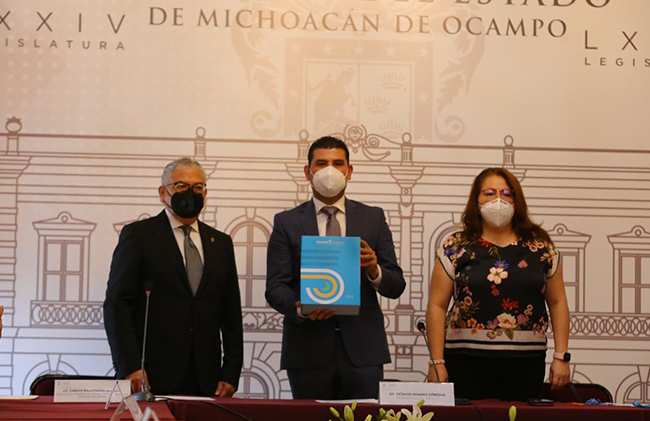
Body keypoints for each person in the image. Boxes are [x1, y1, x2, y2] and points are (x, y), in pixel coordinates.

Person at [266, 136, 406, 400]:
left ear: (349, 171)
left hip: (364, 350)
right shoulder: (286, 222)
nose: (329, 171)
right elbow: (275, 287)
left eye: (338, 163)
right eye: (321, 163)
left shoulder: (373, 218)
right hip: (307, 351)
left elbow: (396, 285)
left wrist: (374, 269)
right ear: (308, 171)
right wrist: (300, 308)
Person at [426, 167, 570, 401]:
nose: (498, 200)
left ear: (516, 200)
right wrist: (437, 361)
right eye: (489, 193)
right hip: (465, 361)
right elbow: (437, 305)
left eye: (506, 193)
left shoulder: (540, 247)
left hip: (526, 362)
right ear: (476, 200)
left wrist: (561, 356)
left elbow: (557, 301)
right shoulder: (455, 246)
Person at [104, 157, 243, 396]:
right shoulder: (139, 236)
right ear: (163, 192)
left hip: (207, 377)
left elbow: (231, 313)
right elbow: (117, 306)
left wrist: (231, 372)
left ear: (205, 193)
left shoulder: (221, 243)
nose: (190, 193)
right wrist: (130, 365)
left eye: (198, 187)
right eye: (180, 186)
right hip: (150, 374)